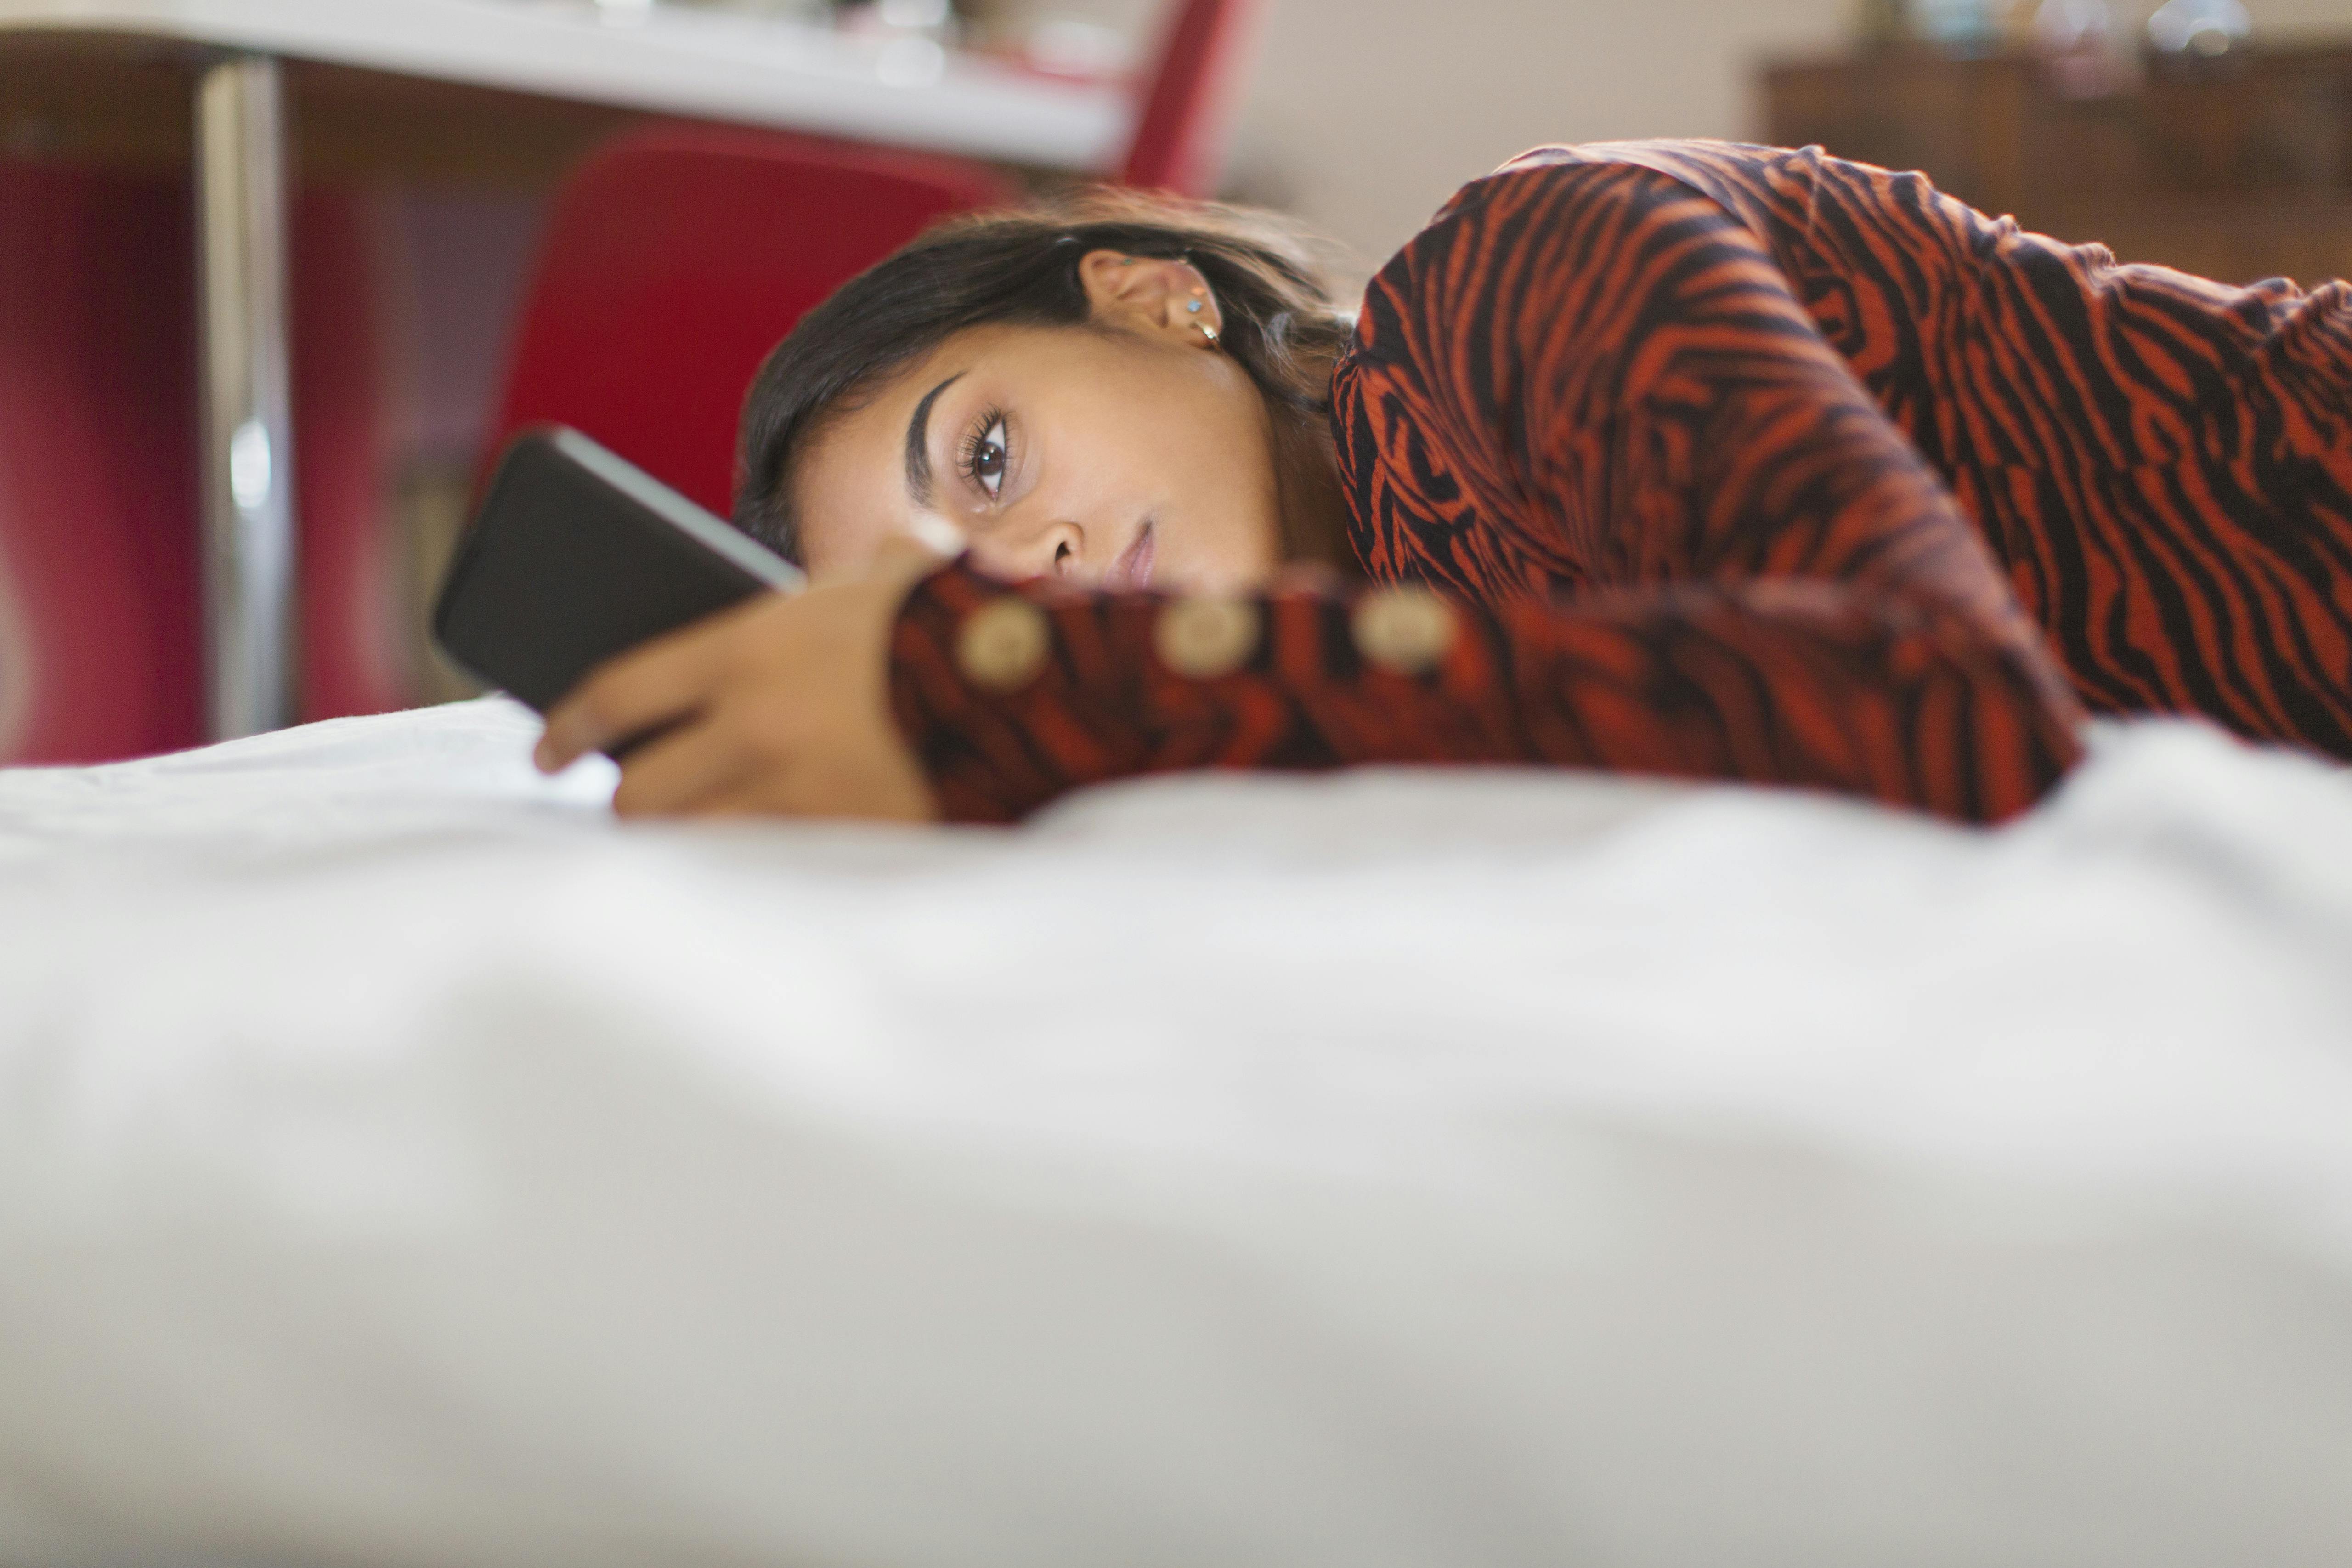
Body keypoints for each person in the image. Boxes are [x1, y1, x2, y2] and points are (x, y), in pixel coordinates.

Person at [533, 141, 2352, 826]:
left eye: (988, 456)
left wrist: (985, 680)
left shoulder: (1512, 273)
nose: (1040, 560)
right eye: (961, 577)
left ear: (1154, 298)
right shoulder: (1420, 657)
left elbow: (1941, 709)